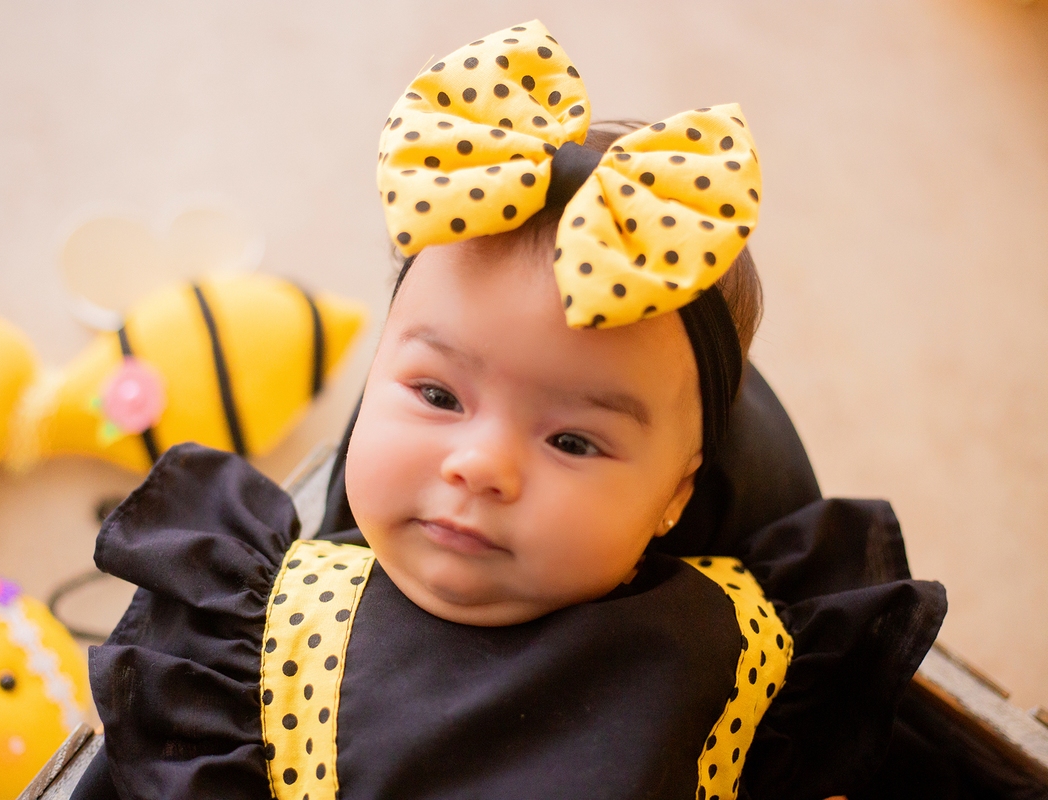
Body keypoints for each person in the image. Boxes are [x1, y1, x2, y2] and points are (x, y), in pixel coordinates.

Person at [73, 21, 945, 800]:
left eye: (574, 440)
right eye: (437, 395)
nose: (480, 465)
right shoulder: (256, 631)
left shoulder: (750, 652)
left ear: (676, 498)